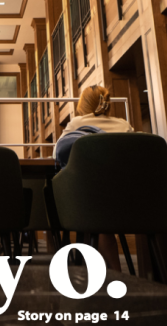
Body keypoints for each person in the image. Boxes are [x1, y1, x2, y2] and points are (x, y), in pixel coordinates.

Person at [54, 85, 133, 272]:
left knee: (92, 198)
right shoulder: (124, 125)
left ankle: (101, 269)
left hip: (86, 201)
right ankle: (115, 271)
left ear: (83, 104)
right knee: (103, 201)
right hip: (126, 201)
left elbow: (56, 156)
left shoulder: (76, 124)